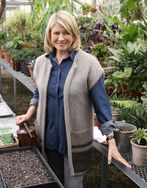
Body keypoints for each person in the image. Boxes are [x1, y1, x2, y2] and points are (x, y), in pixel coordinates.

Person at [16, 10, 131, 188]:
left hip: (75, 142)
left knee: (73, 184)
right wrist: (29, 113)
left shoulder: (89, 64)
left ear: (74, 34)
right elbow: (40, 91)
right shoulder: (41, 63)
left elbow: (102, 106)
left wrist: (112, 140)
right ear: (49, 35)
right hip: (48, 139)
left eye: (66, 33)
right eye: (56, 33)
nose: (61, 38)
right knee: (53, 182)